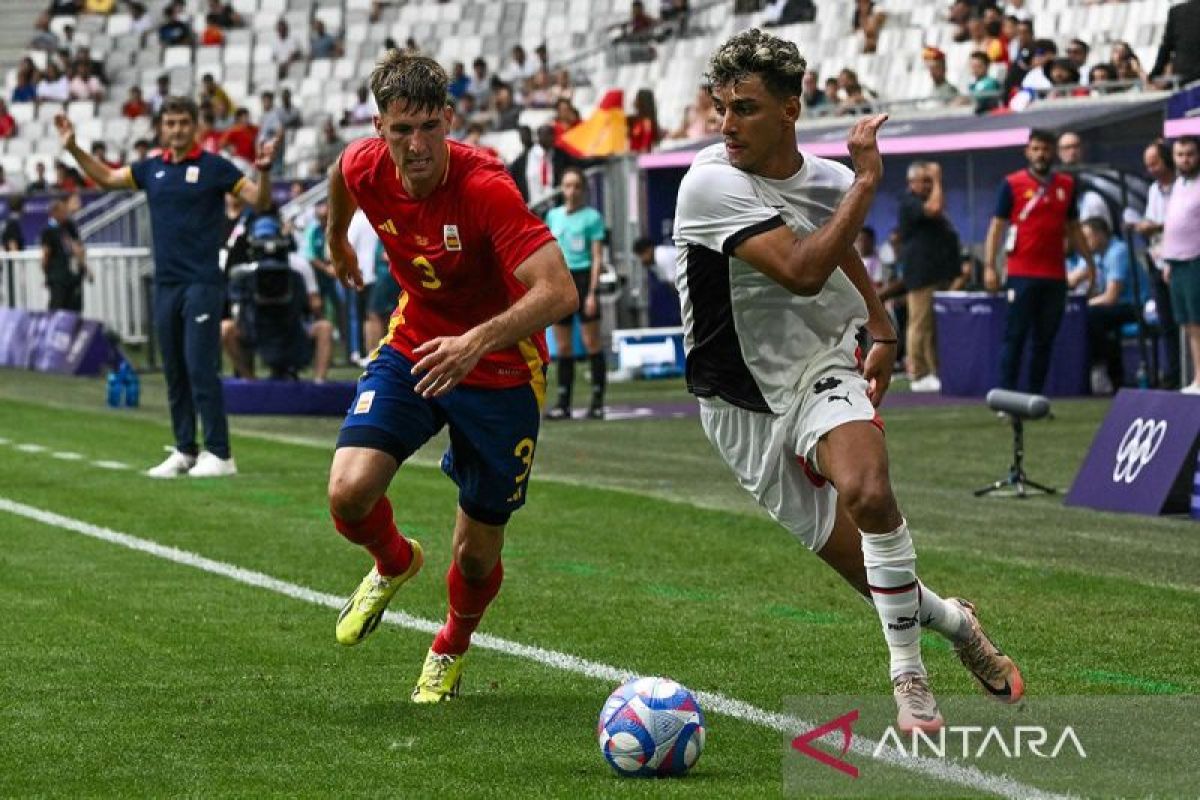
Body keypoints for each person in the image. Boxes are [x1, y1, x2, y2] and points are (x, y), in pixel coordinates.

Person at [673, 28, 1023, 735]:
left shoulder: (830, 182)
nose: (726, 124)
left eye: (744, 108)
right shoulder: (710, 183)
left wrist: (881, 325)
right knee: (870, 573)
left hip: (821, 367)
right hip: (738, 403)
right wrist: (867, 183)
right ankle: (957, 623)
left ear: (790, 109)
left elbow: (839, 257)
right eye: (720, 108)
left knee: (869, 492)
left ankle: (909, 681)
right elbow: (803, 268)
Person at [323, 51, 576, 703]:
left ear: (450, 120)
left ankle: (450, 648)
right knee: (349, 493)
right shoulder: (363, 163)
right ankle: (394, 561)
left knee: (475, 554)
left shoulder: (485, 186)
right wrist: (337, 240)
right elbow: (341, 177)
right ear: (379, 127)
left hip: (500, 368)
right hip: (415, 342)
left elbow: (559, 290)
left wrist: (478, 341)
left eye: (430, 127)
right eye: (402, 129)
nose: (417, 144)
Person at [55, 97, 274, 478]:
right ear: (161, 128)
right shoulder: (151, 169)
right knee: (173, 368)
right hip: (167, 284)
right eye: (169, 123)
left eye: (182, 123)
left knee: (200, 366)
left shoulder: (215, 168)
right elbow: (106, 178)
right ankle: (186, 450)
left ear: (196, 127)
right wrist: (73, 147)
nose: (175, 130)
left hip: (202, 283)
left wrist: (266, 172)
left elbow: (261, 200)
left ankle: (220, 454)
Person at [984, 129, 1096, 393]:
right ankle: (1006, 398)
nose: (1040, 154)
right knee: (1015, 336)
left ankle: (1035, 398)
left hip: (1055, 275)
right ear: (1027, 151)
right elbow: (997, 228)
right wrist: (990, 266)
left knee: (1045, 340)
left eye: (1045, 149)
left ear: (1053, 152)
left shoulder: (1066, 185)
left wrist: (1090, 264)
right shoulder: (1012, 184)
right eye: (1035, 149)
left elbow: (1074, 229)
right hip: (1020, 273)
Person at [545, 167, 608, 420]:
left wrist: (592, 292)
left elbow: (596, 257)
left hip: (583, 279)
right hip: (562, 279)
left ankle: (597, 402)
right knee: (563, 346)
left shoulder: (592, 217)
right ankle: (563, 403)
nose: (571, 191)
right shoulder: (553, 215)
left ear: (583, 189)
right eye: (567, 185)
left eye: (576, 186)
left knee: (591, 341)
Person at [1072, 217, 1145, 393]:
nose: (1084, 242)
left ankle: (1102, 368)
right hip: (1111, 309)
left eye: (1087, 237)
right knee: (1082, 316)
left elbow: (1111, 297)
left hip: (1135, 307)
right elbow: (1072, 279)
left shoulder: (1117, 252)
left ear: (1100, 235)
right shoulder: (1095, 256)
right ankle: (1097, 372)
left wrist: (1084, 304)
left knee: (1092, 316)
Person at [1132, 139, 1181, 387]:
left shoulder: (1184, 187)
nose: (1151, 169)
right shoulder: (1153, 190)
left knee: (1187, 322)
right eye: (1148, 165)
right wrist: (1144, 226)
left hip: (1182, 263)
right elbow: (1151, 219)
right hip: (1158, 262)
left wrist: (1158, 226)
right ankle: (1172, 375)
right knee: (1167, 324)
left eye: (1155, 164)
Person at [1161, 136, 1200, 393]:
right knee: (1187, 323)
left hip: (1196, 260)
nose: (1184, 159)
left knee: (1198, 322)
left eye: (1190, 154)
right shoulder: (1178, 185)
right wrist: (1168, 260)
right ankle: (1198, 377)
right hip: (1177, 261)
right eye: (1179, 154)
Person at [41, 198, 88, 311]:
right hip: (58, 278)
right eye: (62, 211)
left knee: (74, 309)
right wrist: (46, 272)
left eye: (65, 210)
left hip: (73, 277)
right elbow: (46, 254)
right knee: (57, 308)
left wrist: (84, 267)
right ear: (54, 213)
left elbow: (79, 247)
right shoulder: (49, 230)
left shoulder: (70, 226)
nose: (65, 213)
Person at [1150, 0, 1200, 87]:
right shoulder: (1176, 11)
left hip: (1184, 76)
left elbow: (1166, 46)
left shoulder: (1177, 11)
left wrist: (1155, 73)